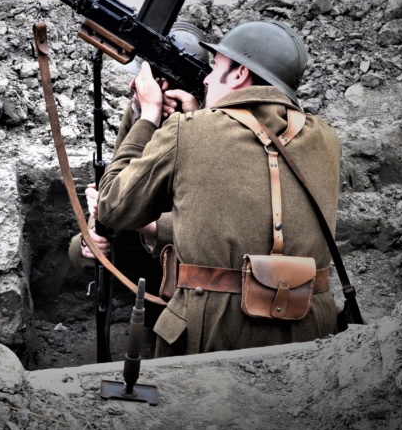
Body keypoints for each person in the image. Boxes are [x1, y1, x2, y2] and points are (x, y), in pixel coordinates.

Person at [97, 20, 341, 356]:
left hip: (211, 333)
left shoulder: (188, 131)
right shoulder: (327, 138)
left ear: (240, 74)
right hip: (314, 333)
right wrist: (201, 118)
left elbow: (112, 205)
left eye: (215, 68)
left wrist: (148, 116)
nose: (207, 78)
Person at [67, 21, 211, 277]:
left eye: (147, 81)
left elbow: (211, 228)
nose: (133, 86)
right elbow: (118, 187)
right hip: (144, 269)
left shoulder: (213, 131)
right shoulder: (138, 115)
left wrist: (151, 226)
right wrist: (91, 239)